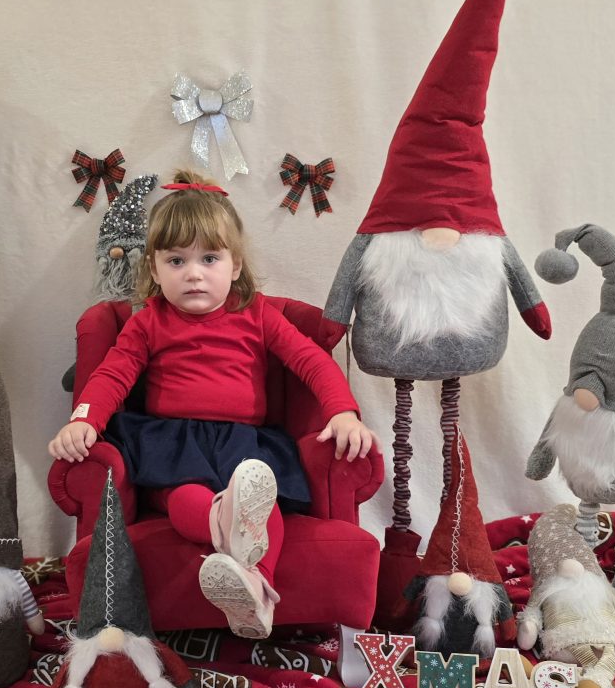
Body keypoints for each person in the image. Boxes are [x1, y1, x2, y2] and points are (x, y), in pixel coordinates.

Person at [49, 170, 379, 639]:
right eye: (176, 260)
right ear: (154, 269)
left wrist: (342, 412)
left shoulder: (256, 313)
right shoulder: (148, 322)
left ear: (235, 265)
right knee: (184, 499)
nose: (194, 273)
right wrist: (83, 420)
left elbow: (311, 361)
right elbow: (112, 375)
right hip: (173, 443)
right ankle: (224, 526)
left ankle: (256, 591)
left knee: (266, 510)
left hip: (245, 445)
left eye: (209, 258)